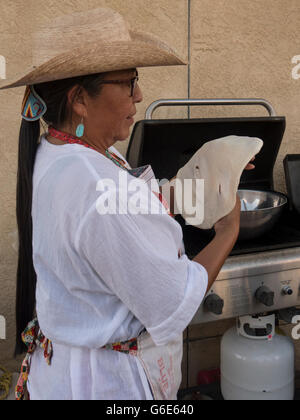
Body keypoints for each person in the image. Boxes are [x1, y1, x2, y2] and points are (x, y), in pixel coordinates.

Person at [0, 8, 254, 400]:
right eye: (129, 81)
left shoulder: (60, 151)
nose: (139, 94)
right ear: (80, 99)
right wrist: (228, 230)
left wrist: (208, 171)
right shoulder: (96, 184)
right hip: (102, 386)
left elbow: (132, 204)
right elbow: (176, 300)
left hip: (62, 370)